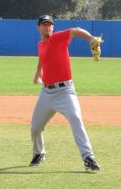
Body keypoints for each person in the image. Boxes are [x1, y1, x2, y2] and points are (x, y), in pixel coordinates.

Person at [29, 15, 101, 171]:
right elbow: (42, 58)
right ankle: (39, 153)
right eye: (44, 25)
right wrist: (37, 75)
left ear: (53, 27)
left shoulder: (58, 38)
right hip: (46, 93)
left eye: (49, 25)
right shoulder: (40, 44)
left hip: (65, 92)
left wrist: (91, 39)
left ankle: (88, 157)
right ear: (38, 28)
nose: (47, 27)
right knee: (35, 128)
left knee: (76, 119)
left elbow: (75, 31)